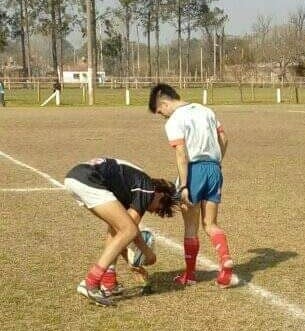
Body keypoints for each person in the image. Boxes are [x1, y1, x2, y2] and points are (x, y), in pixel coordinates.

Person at [148, 83, 239, 289]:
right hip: (214, 169)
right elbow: (224, 138)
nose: (163, 116)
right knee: (211, 224)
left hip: (194, 170)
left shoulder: (175, 120)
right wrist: (216, 162)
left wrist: (184, 186)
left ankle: (189, 275)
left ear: (164, 103)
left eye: (161, 112)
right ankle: (225, 259)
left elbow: (181, 152)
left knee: (191, 226)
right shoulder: (206, 110)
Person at [64, 157, 178, 306]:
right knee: (128, 229)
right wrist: (147, 254)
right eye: (159, 208)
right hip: (88, 178)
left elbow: (120, 234)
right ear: (161, 194)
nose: (153, 211)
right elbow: (130, 230)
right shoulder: (147, 188)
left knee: (117, 228)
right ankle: (90, 282)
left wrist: (134, 264)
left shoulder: (131, 188)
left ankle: (108, 281)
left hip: (76, 177)